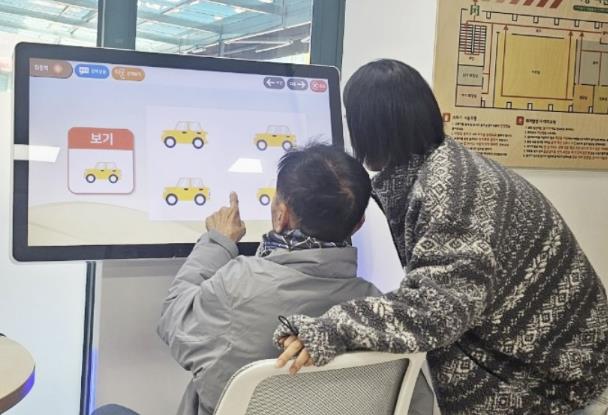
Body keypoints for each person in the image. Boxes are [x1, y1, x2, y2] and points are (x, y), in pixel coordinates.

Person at [274, 60, 608, 415]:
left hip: (558, 380)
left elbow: (438, 309)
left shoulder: (452, 193)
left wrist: (335, 326)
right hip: (549, 360)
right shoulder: (442, 166)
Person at [157, 144, 384, 415]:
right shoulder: (377, 310)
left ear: (281, 216)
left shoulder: (238, 286)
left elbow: (175, 317)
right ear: (359, 223)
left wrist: (218, 242)